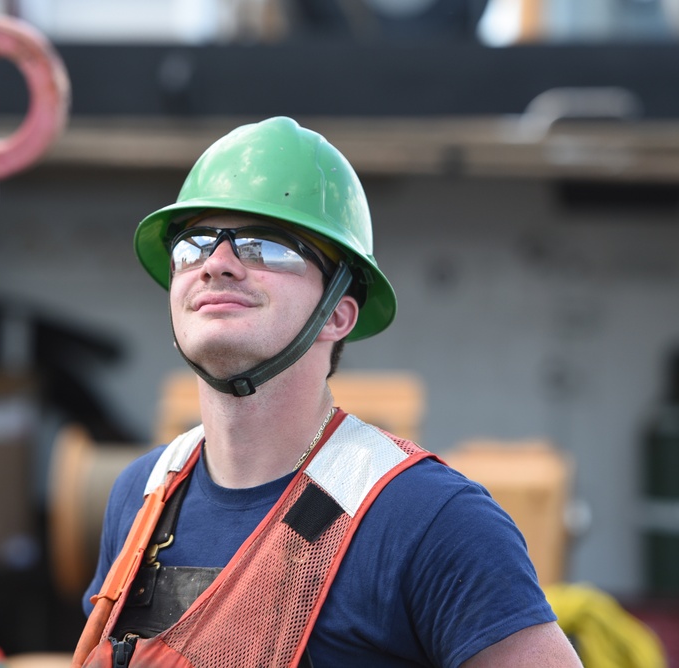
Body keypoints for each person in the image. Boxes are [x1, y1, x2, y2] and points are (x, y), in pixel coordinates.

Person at [73, 116, 581, 667]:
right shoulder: (143, 496)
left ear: (337, 314)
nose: (216, 263)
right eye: (193, 246)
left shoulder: (429, 519)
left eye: (265, 247)